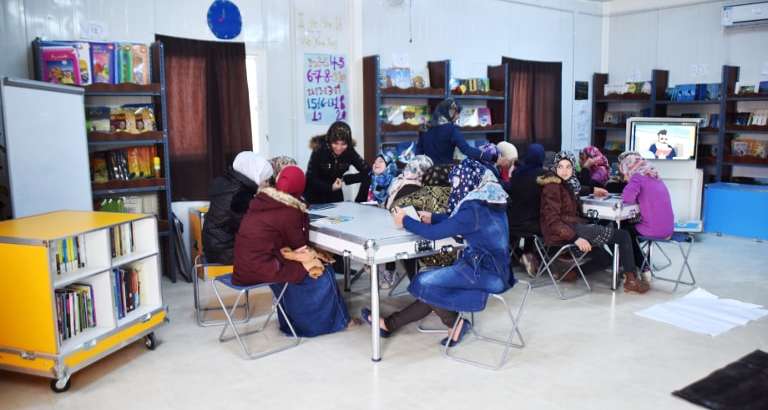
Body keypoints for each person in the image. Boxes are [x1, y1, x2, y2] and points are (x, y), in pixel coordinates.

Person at [362, 159, 513, 346]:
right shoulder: (489, 199)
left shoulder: (473, 209)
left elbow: (434, 234)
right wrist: (433, 217)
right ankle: (389, 325)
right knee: (430, 285)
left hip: (485, 273)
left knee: (424, 282)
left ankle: (454, 323)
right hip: (496, 269)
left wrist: (405, 221)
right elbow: (460, 221)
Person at [233, 165, 349, 337]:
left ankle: (289, 323)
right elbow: (299, 245)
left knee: (301, 265)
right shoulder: (288, 210)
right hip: (265, 268)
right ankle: (333, 324)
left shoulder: (263, 201)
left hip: (244, 266)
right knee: (323, 271)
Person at [538, 151, 649, 294]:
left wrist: (592, 190)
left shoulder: (566, 184)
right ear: (555, 168)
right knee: (623, 235)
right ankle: (631, 281)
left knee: (606, 258)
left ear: (573, 169)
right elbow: (552, 221)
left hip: (573, 226)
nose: (564, 171)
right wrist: (575, 238)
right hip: (565, 231)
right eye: (561, 167)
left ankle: (571, 273)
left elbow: (577, 191)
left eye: (568, 167)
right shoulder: (552, 186)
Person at [202, 152, 273, 264]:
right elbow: (251, 228)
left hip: (213, 245)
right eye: (266, 180)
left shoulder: (226, 182)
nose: (268, 184)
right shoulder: (240, 195)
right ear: (256, 176)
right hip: (226, 252)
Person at [619, 152, 675, 271]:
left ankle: (641, 266)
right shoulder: (655, 176)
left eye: (624, 171)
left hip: (653, 230)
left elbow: (627, 198)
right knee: (629, 229)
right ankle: (640, 263)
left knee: (623, 233)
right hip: (668, 229)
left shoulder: (637, 177)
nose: (624, 176)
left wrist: (629, 182)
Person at [304, 121, 371, 204]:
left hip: (335, 193)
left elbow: (368, 172)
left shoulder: (349, 151)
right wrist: (330, 187)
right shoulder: (320, 149)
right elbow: (310, 178)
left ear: (348, 143)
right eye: (335, 143)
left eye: (343, 144)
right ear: (329, 141)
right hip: (315, 195)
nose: (339, 148)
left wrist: (346, 179)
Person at [505, 144, 547, 275]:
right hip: (532, 224)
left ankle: (523, 254)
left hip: (512, 223)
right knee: (542, 220)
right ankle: (530, 254)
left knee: (528, 214)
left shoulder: (517, 173)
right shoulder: (544, 175)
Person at [414, 98, 482, 165]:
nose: (458, 117)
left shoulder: (424, 127)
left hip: (428, 172)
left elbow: (418, 153)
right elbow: (466, 150)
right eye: (457, 113)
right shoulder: (451, 130)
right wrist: (488, 156)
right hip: (446, 172)